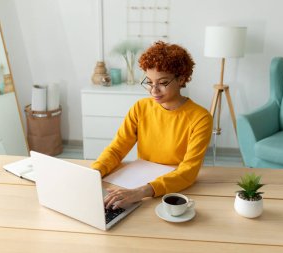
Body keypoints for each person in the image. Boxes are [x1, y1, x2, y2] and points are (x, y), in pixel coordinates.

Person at [91, 41, 213, 209]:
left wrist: (142, 192)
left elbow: (189, 171)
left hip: (172, 190)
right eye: (149, 82)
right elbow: (117, 149)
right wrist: (94, 172)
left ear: (181, 79)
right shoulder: (140, 108)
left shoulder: (200, 118)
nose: (153, 90)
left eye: (162, 83)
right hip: (135, 182)